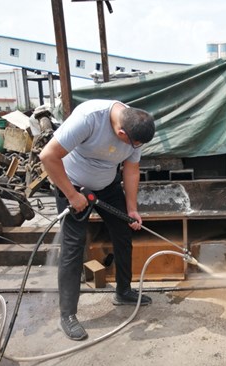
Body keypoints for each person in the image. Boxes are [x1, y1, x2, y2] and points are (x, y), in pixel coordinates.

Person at [39, 99, 156, 341]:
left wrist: (132, 208)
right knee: (73, 246)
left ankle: (123, 291)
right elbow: (48, 156)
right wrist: (72, 195)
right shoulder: (89, 118)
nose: (135, 147)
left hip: (107, 187)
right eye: (133, 143)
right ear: (121, 132)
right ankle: (68, 315)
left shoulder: (135, 129)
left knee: (124, 233)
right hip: (72, 185)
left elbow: (131, 169)